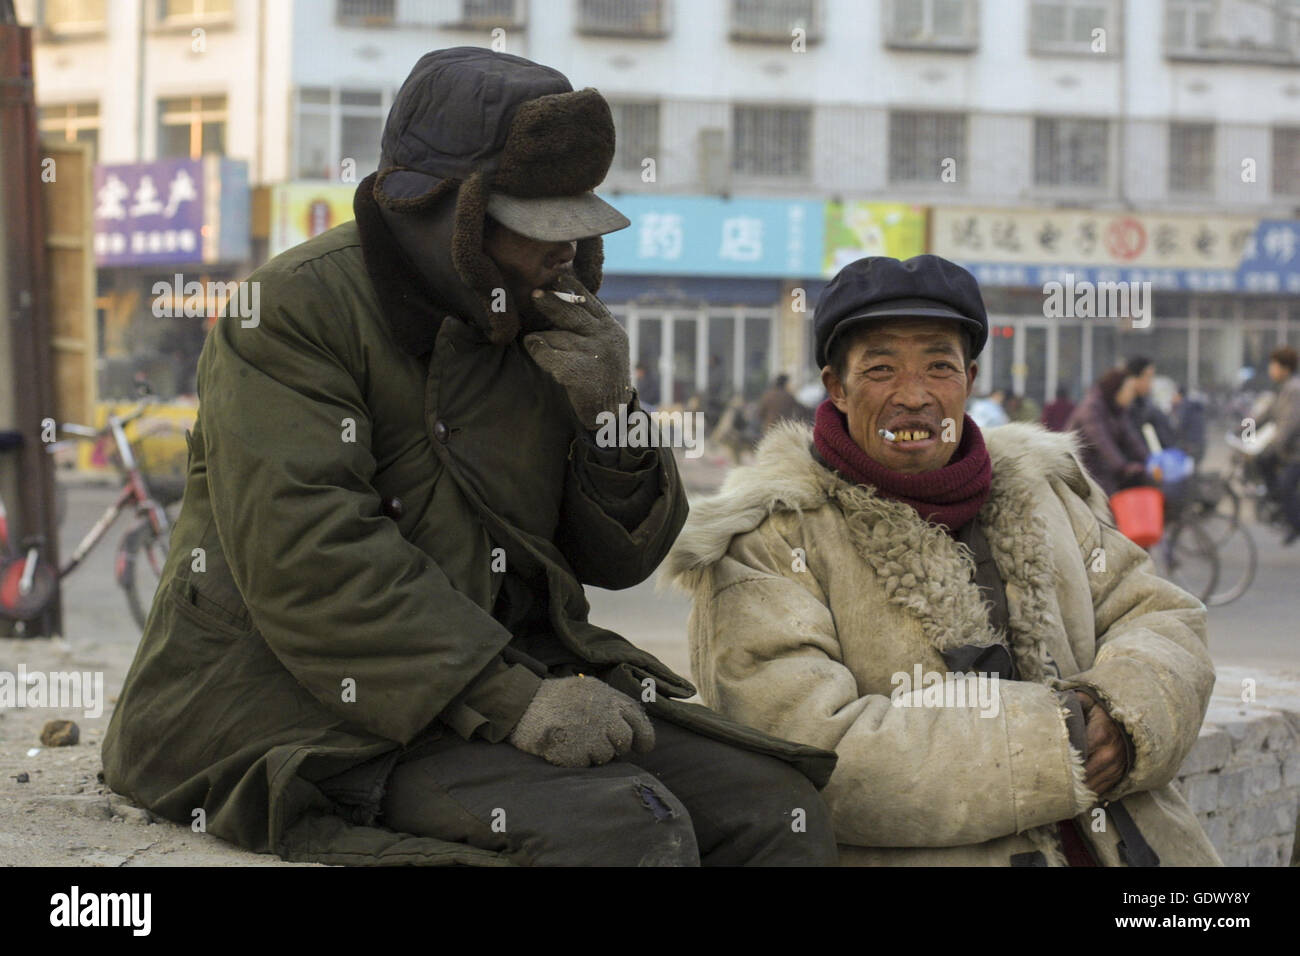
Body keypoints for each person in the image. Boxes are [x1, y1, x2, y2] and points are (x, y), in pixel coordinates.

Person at [101, 48, 839, 867]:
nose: (564, 252)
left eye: (576, 223)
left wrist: (612, 419)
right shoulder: (292, 311)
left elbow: (625, 558)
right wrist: (510, 699)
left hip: (503, 681)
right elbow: (309, 556)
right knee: (628, 829)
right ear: (441, 214)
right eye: (535, 226)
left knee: (780, 812)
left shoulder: (546, 320)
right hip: (295, 705)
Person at [666, 254, 1219, 866]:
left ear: (971, 379)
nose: (914, 396)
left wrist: (1125, 712)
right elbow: (808, 748)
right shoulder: (771, 538)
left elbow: (1161, 617)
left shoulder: (1046, 492)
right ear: (836, 388)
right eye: (880, 368)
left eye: (939, 366)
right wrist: (1057, 742)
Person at [1066, 366, 1153, 496]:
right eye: (1129, 390)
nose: (1132, 395)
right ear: (1116, 389)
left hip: (1102, 473)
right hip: (1082, 473)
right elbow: (1102, 443)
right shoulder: (1091, 409)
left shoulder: (1117, 410)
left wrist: (1150, 461)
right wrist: (1124, 468)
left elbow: (1131, 439)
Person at [1258, 345, 1300, 546]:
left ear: (1285, 368)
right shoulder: (1282, 389)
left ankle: (1295, 523)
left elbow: (1289, 425)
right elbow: (1265, 415)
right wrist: (1242, 429)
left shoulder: (1294, 389)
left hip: (1296, 453)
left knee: (1286, 486)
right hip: (1288, 451)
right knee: (1262, 460)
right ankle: (1281, 507)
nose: (1270, 370)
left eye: (1273, 366)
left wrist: (1273, 445)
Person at [1125, 357, 1176, 450]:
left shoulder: (1145, 405)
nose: (1150, 383)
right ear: (1134, 378)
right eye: (1148, 377)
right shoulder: (1124, 409)